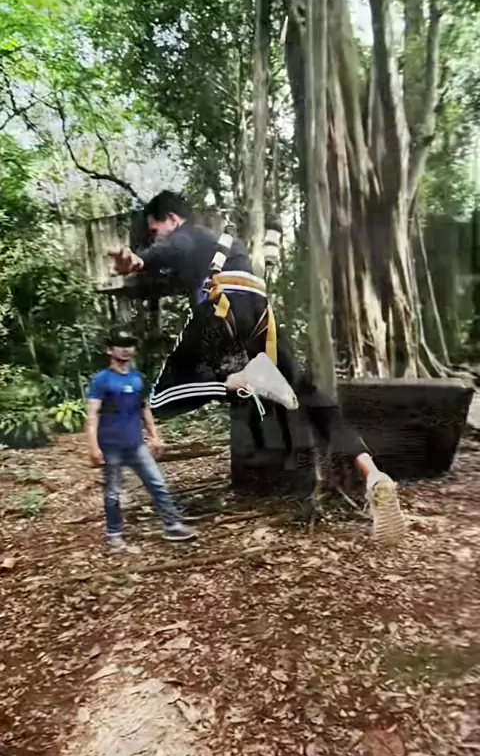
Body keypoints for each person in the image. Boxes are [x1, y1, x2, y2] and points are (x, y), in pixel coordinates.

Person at [109, 191, 405, 543]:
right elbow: (169, 279)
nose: (156, 237)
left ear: (172, 219)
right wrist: (138, 277)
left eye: (155, 230)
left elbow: (172, 250)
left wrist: (138, 260)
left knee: (164, 396)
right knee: (310, 397)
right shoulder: (223, 245)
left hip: (221, 307)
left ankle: (242, 379)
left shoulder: (188, 235)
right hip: (260, 313)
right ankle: (373, 473)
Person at [86, 326, 196, 553]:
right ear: (110, 350)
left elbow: (144, 409)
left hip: (136, 444)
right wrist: (93, 447)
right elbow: (92, 414)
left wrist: (155, 436)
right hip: (111, 446)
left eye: (129, 345)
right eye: (121, 345)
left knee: (157, 484)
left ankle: (172, 526)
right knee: (113, 493)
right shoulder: (102, 380)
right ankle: (114, 536)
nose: (126, 350)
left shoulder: (138, 379)